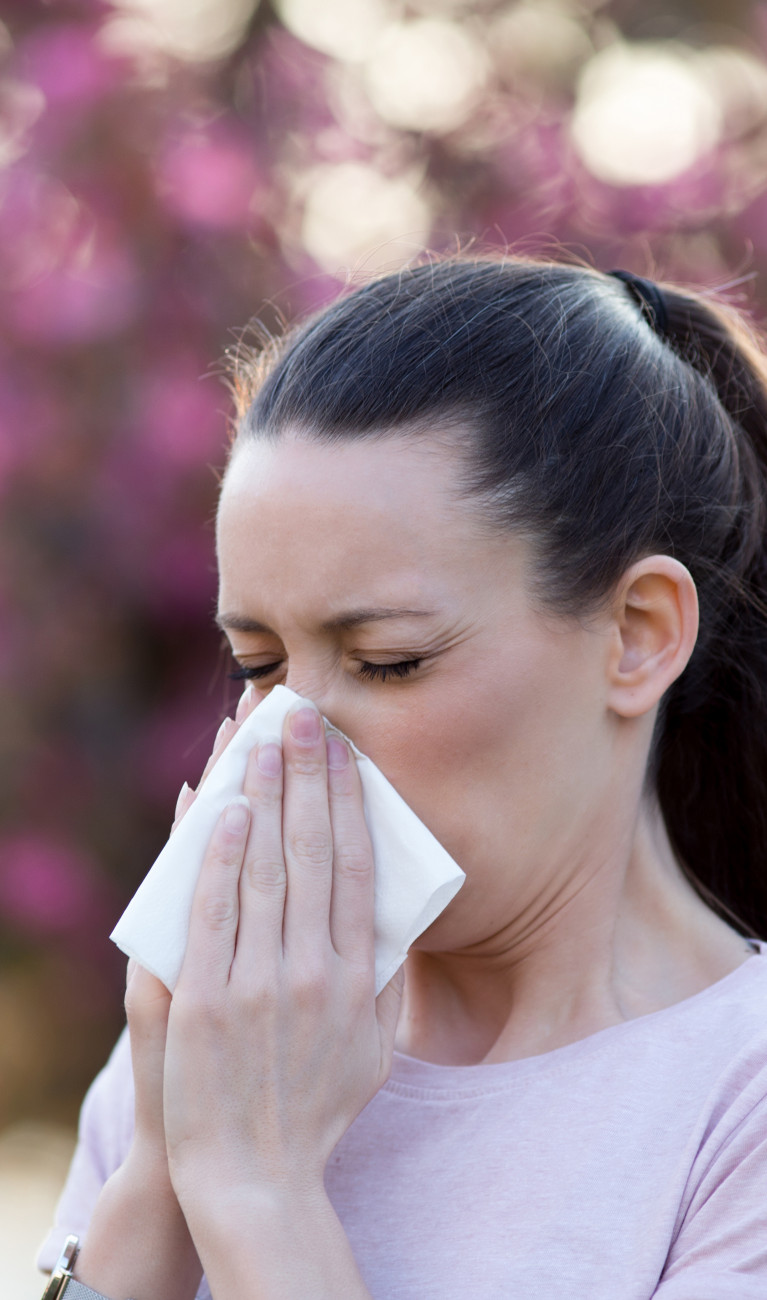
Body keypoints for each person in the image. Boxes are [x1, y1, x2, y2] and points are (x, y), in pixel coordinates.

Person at [37, 255, 767, 1299]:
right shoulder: (220, 1035)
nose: (291, 736)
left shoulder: (734, 1108)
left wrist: (258, 1196)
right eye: (258, 666)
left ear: (637, 635)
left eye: (388, 661)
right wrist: (160, 1170)